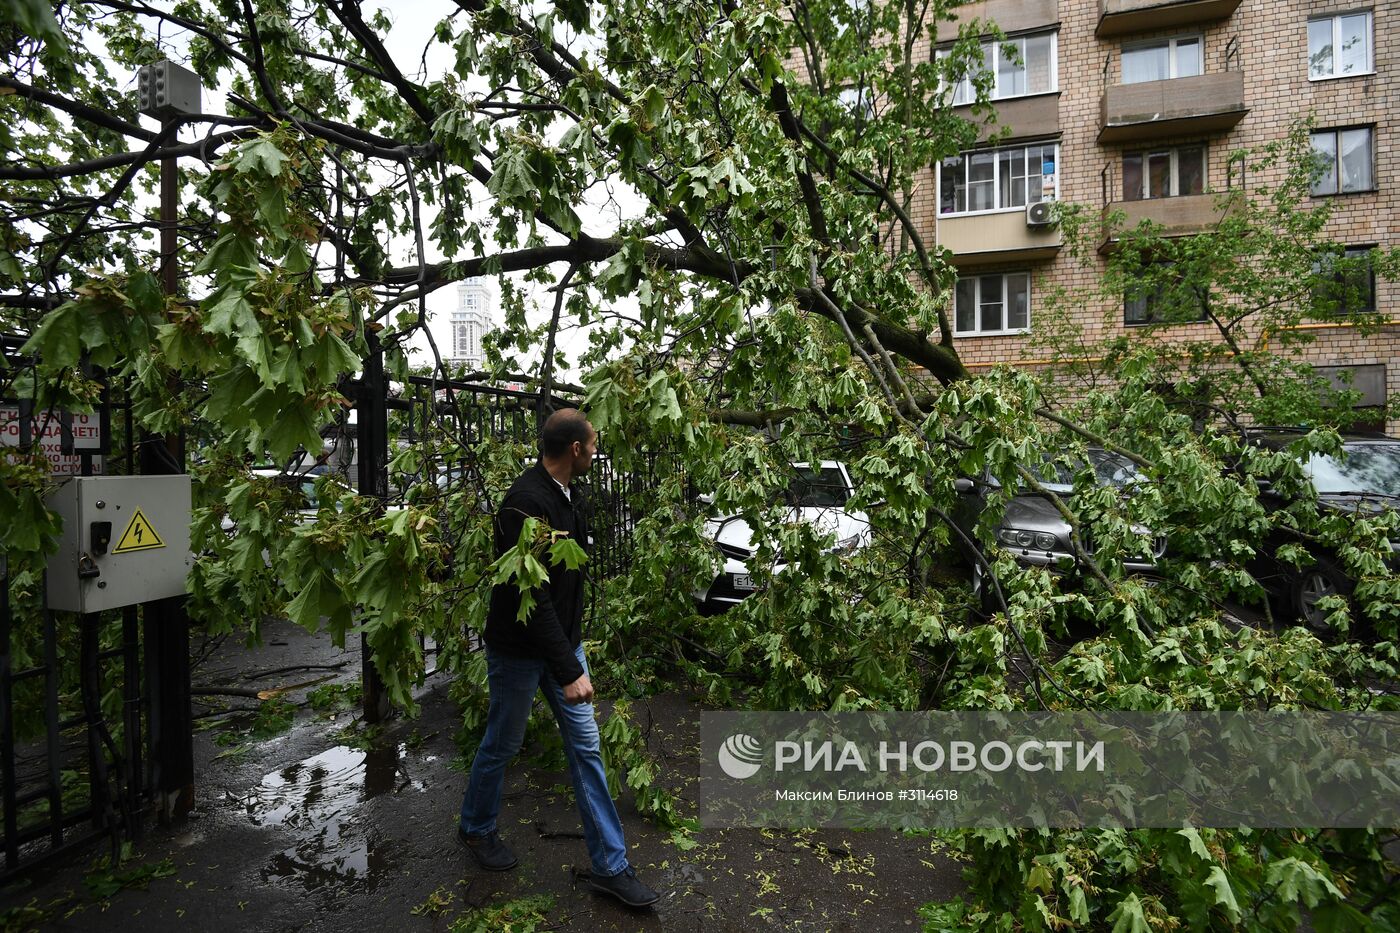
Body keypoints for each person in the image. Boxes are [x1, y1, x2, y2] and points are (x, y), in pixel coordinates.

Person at [457, 408, 661, 908]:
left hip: (563, 646)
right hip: (520, 654)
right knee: (502, 744)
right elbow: (533, 599)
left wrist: (574, 647)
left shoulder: (567, 496)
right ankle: (476, 827)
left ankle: (611, 866)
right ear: (575, 449)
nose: (596, 451)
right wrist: (569, 669)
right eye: (593, 444)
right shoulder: (524, 505)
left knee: (587, 750)